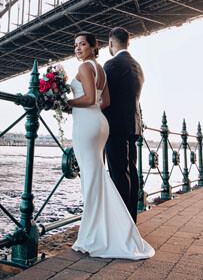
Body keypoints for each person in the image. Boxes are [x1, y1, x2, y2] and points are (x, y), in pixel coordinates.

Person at [67, 31, 154, 259]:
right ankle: (125, 222)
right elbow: (104, 99)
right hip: (124, 125)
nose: (77, 48)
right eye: (75, 45)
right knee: (124, 174)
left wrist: (64, 102)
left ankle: (109, 229)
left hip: (101, 125)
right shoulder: (130, 67)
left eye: (82, 44)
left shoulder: (102, 66)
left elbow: (91, 99)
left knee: (103, 176)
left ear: (105, 45)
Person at [103, 27, 144, 224]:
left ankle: (121, 224)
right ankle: (131, 221)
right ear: (129, 42)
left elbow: (103, 97)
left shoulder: (111, 65)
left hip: (115, 127)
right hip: (133, 126)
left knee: (118, 174)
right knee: (131, 173)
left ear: (111, 44)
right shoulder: (137, 66)